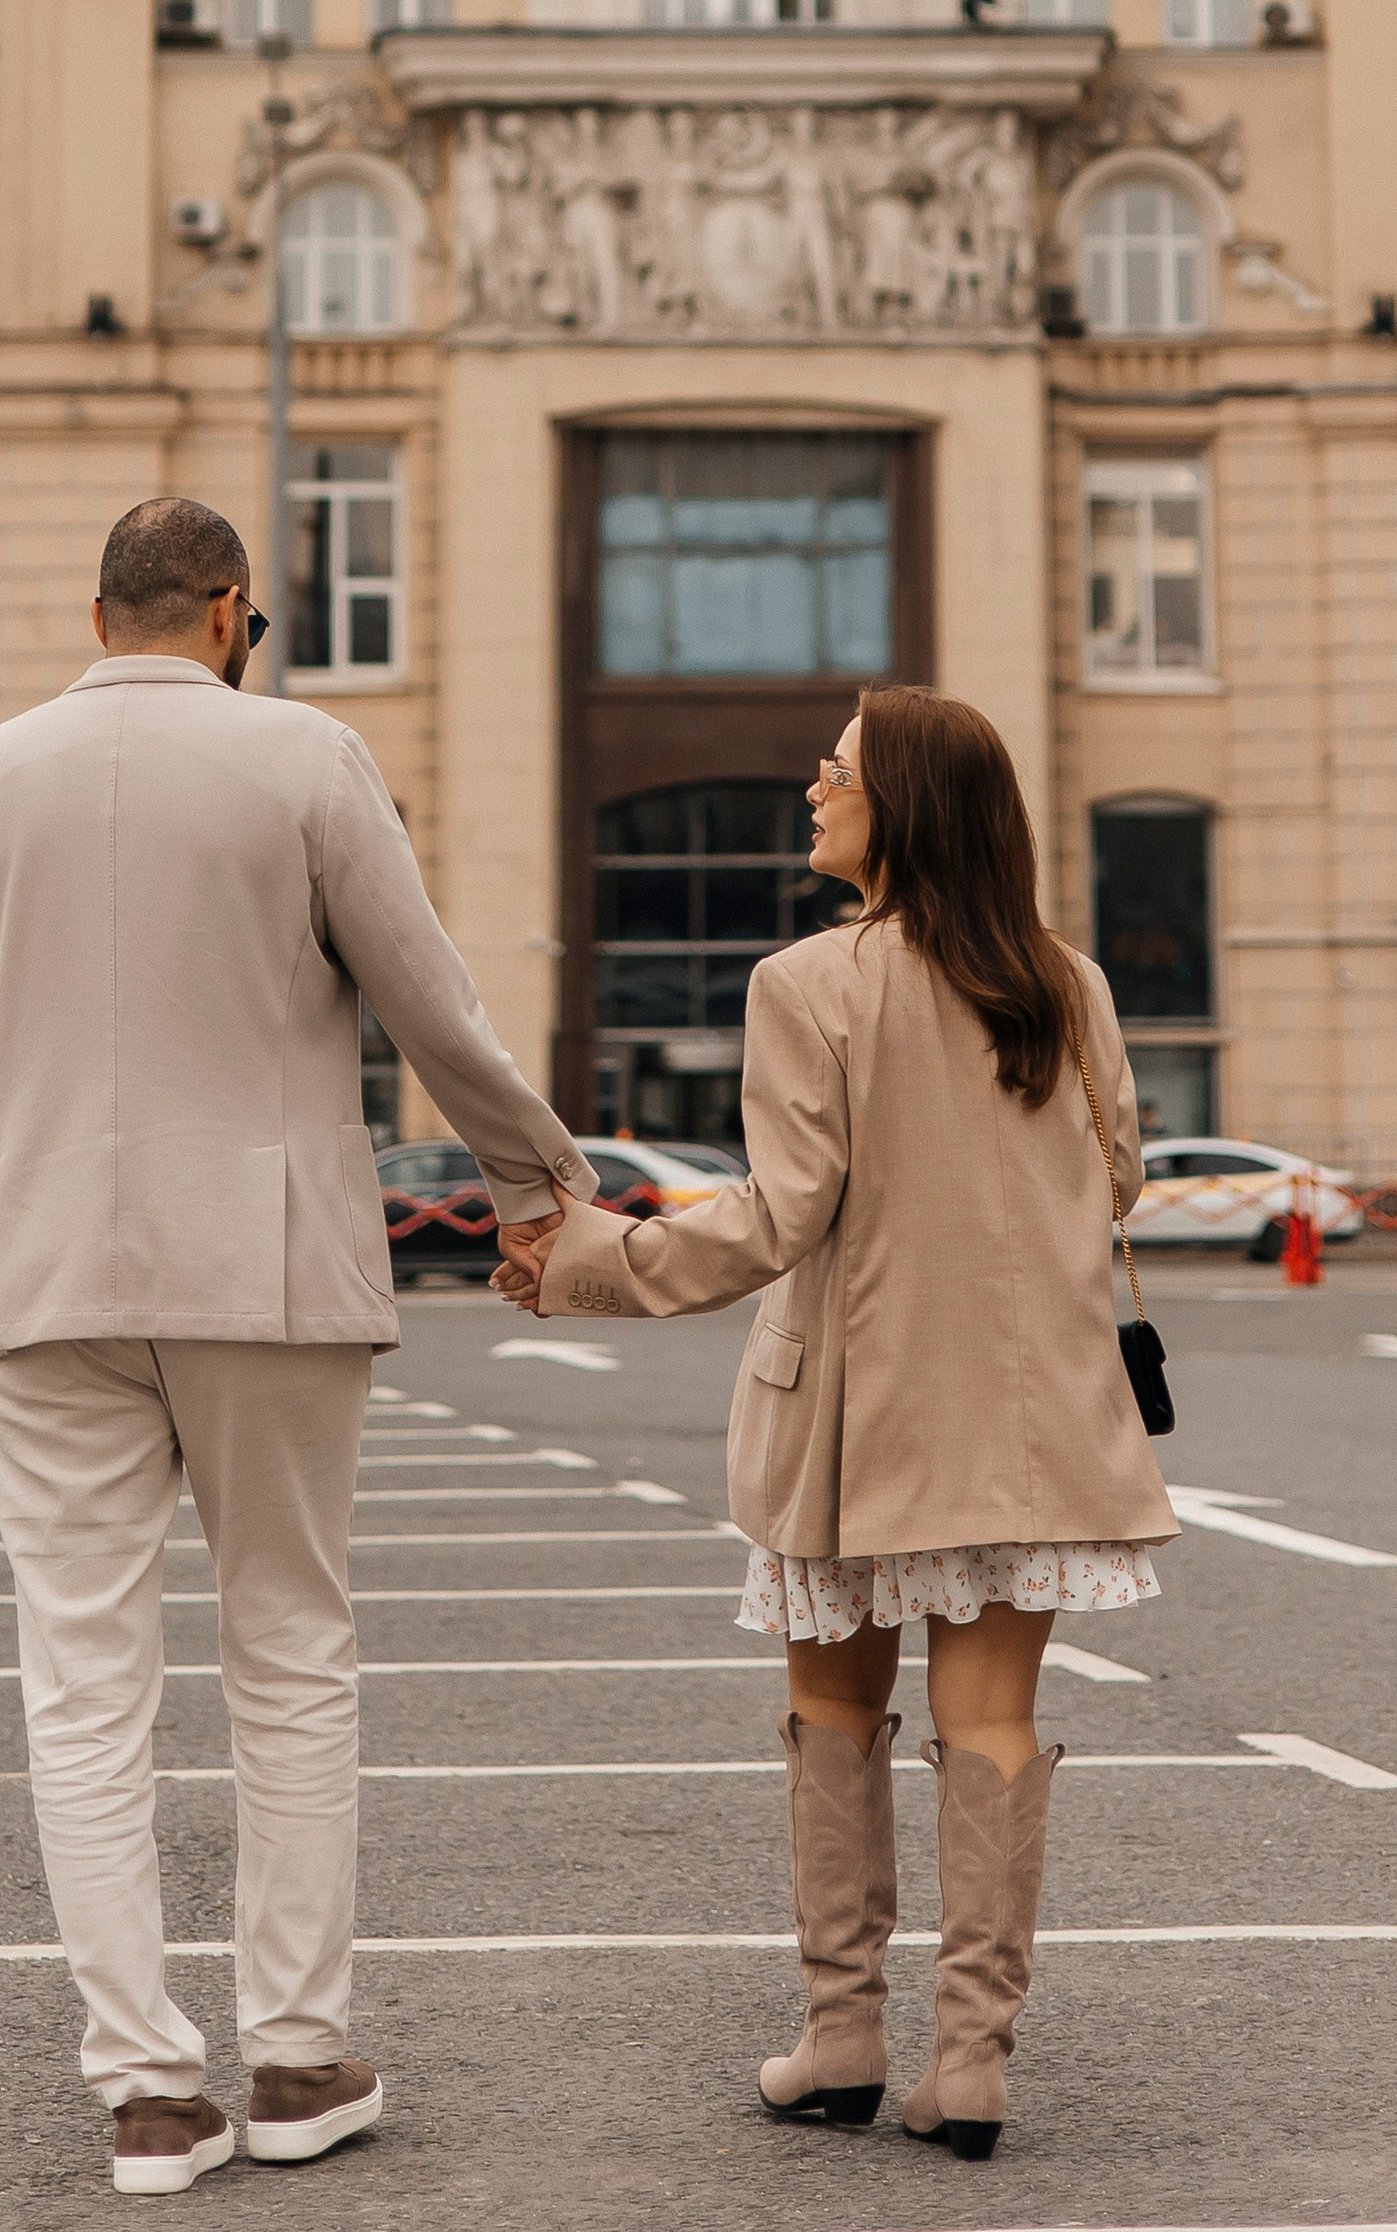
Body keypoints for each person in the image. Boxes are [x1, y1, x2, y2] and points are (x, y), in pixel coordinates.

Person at [0, 493, 593, 2200]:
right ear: (227, 612)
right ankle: (293, 2056)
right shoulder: (305, 762)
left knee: (83, 1683)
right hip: (265, 1266)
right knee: (287, 1650)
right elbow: (429, 1001)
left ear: (97, 616)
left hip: (52, 1274)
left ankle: (146, 2090)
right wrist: (539, 1184)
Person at [498, 688, 1175, 2161]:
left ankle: (843, 2035)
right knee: (992, 1724)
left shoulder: (807, 982)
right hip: (1033, 1416)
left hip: (856, 1413)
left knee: (834, 1711)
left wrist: (591, 1260)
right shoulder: (1067, 982)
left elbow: (780, 1215)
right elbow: (1117, 1177)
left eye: (839, 770)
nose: (815, 788)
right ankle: (972, 2063)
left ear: (904, 806)